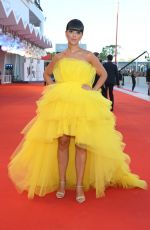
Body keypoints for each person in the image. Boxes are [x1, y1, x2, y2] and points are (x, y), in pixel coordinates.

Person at [8, 19, 147, 204]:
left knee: (81, 143)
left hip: (83, 103)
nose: (74, 36)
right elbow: (47, 74)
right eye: (71, 32)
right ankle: (62, 183)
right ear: (66, 33)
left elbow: (103, 74)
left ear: (81, 35)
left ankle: (80, 185)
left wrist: (94, 89)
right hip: (63, 102)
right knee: (63, 141)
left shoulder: (89, 55)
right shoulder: (58, 56)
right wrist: (54, 88)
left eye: (78, 33)